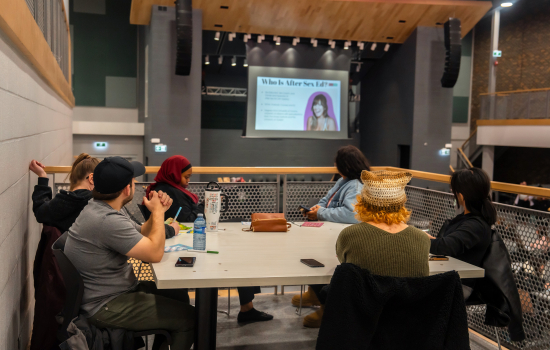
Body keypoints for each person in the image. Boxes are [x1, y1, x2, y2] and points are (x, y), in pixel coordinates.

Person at [64, 157, 195, 350]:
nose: (136, 184)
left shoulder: (103, 207)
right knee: (189, 318)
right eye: (133, 181)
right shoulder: (107, 220)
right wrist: (158, 214)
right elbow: (154, 254)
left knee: (178, 295)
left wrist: (156, 210)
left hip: (112, 291)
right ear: (127, 189)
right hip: (104, 304)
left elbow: (142, 232)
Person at [145, 155, 273, 323]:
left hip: (186, 240)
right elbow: (188, 219)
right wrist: (207, 205)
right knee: (239, 255)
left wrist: (205, 205)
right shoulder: (166, 192)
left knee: (239, 253)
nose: (188, 181)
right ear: (174, 173)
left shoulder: (172, 188)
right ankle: (245, 308)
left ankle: (246, 308)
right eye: (186, 177)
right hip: (181, 246)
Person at [300, 170, 430, 328]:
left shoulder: (350, 235)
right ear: (402, 202)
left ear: (364, 201)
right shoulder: (422, 239)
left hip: (361, 321)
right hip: (408, 325)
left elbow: (345, 267)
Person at [29, 154, 99, 350]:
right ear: (92, 179)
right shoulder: (89, 202)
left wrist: (42, 177)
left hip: (64, 279)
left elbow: (42, 210)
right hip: (87, 276)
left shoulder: (66, 201)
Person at [428, 167, 496, 299]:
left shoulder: (476, 225)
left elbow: (446, 247)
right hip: (447, 278)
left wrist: (417, 239)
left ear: (462, 195)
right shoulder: (469, 220)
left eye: (455, 189)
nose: (453, 192)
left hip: (458, 285)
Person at [30, 153, 99, 232]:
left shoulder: (63, 200)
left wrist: (42, 176)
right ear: (92, 179)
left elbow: (40, 212)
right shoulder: (95, 203)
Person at [302, 145, 369, 224]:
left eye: (337, 164)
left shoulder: (355, 187)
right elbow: (326, 200)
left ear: (344, 166)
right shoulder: (341, 180)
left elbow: (352, 214)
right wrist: (315, 210)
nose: (335, 166)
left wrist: (320, 213)